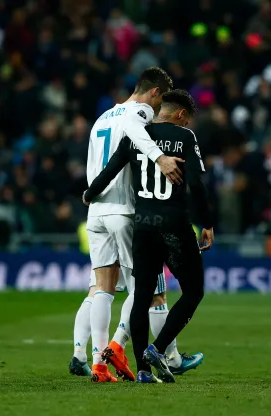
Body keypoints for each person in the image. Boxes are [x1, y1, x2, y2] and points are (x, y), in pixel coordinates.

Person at [83, 90, 214, 383]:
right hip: (174, 226)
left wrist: (90, 193)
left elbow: (111, 170)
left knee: (140, 296)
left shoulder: (138, 136)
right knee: (193, 291)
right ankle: (159, 348)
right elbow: (196, 184)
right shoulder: (185, 137)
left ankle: (142, 370)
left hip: (142, 226)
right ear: (181, 115)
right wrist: (206, 223)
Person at [69, 267, 205, 378]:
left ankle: (87, 358)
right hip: (137, 235)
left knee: (99, 288)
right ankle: (172, 358)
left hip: (101, 233)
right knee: (148, 288)